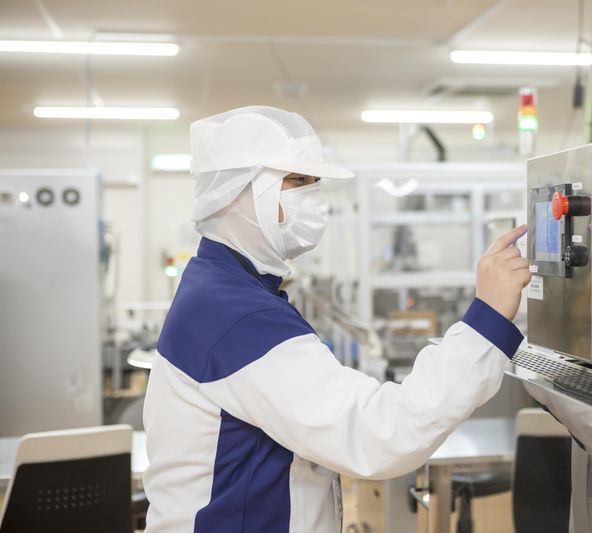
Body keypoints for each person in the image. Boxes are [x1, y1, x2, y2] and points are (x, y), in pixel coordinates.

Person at [143, 106, 532, 532]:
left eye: (315, 182)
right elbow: (381, 434)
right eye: (297, 180)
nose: (313, 197)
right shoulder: (237, 314)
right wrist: (487, 321)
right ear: (239, 193)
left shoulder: (221, 287)